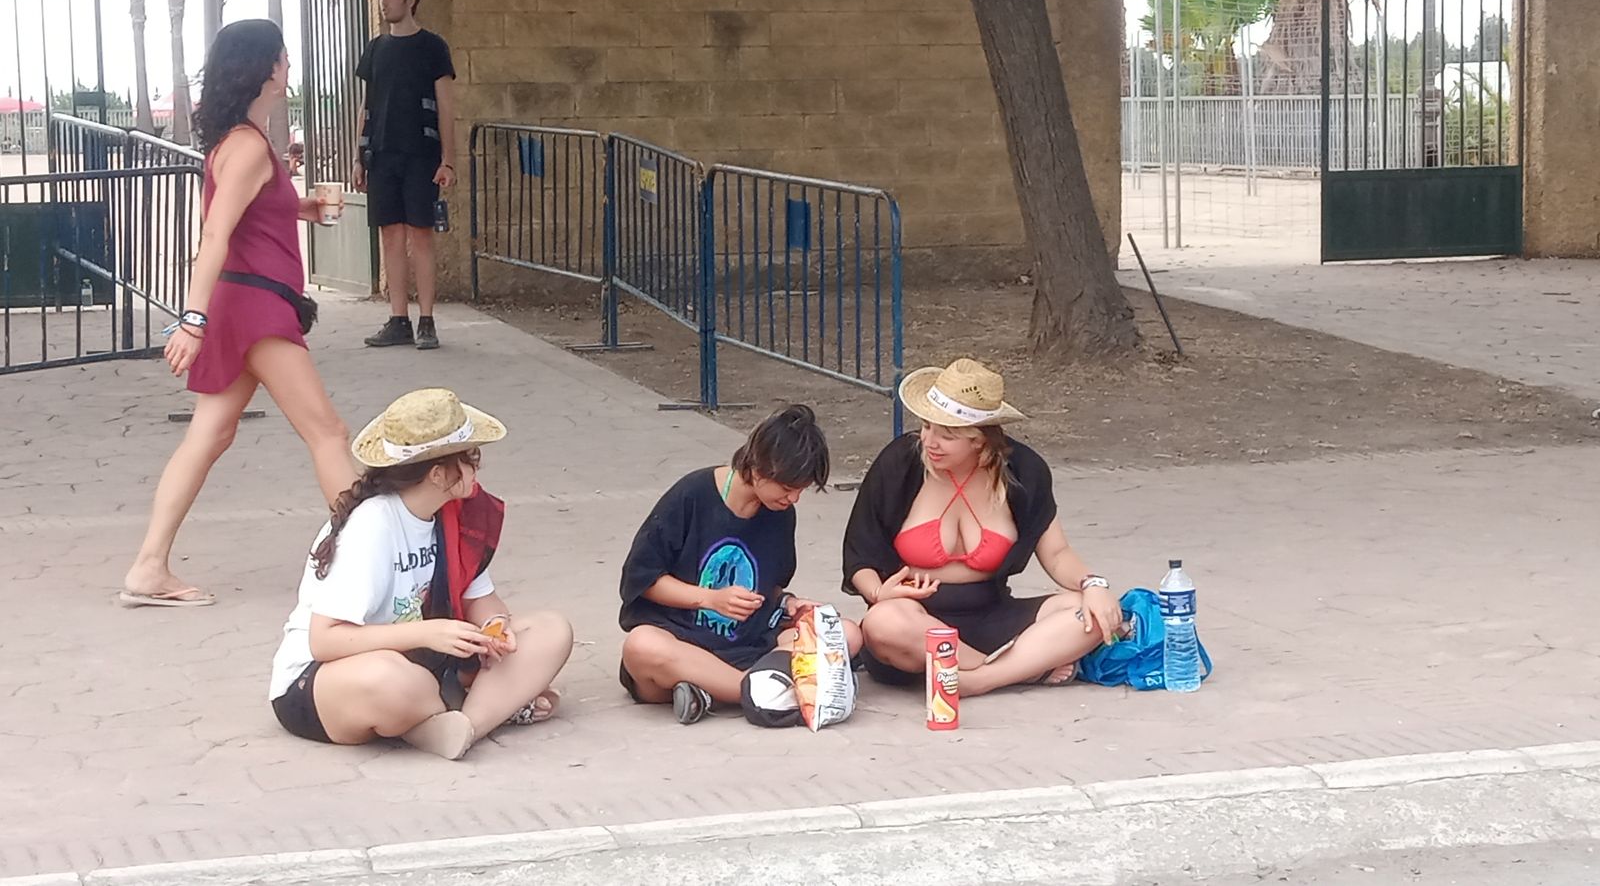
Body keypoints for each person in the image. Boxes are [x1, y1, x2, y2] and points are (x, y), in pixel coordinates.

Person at [120, 20, 354, 609]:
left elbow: (242, 221)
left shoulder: (241, 140)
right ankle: (372, 561)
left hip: (243, 300)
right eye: (283, 57)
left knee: (210, 432)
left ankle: (149, 566)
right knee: (328, 432)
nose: (288, 67)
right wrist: (192, 320)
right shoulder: (249, 145)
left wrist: (300, 208)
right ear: (267, 67)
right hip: (254, 305)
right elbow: (216, 233)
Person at [268, 388, 574, 760]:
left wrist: (496, 626)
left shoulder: (453, 513)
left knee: (550, 629)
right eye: (469, 457)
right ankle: (482, 706)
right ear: (437, 473)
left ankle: (463, 726)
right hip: (325, 679)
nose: (477, 467)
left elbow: (480, 597)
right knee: (391, 679)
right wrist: (428, 633)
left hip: (426, 662)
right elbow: (325, 641)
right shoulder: (373, 524)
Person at [844, 358, 1126, 695]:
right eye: (926, 426)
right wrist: (878, 593)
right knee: (882, 622)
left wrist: (1093, 585)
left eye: (947, 435)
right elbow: (859, 552)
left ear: (979, 439)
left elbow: (1057, 553)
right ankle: (1017, 667)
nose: (930, 442)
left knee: (1091, 612)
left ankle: (974, 680)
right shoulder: (900, 463)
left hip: (994, 615)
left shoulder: (1023, 470)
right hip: (913, 621)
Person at [618, 404, 862, 725]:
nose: (794, 499)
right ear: (759, 468)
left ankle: (716, 691)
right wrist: (709, 599)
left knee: (846, 633)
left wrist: (790, 603)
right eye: (788, 489)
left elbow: (771, 585)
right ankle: (761, 692)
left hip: (751, 645)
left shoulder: (780, 512)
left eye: (800, 491)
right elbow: (641, 581)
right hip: (683, 640)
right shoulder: (692, 494)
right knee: (641, 646)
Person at [353, 0, 457, 351]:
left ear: (410, 0)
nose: (384, 1)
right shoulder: (375, 49)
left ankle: (426, 320)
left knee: (422, 234)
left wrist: (448, 159)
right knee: (391, 237)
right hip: (382, 154)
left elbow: (446, 106)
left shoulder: (433, 47)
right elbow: (366, 106)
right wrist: (358, 156)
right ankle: (399, 319)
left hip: (421, 154)